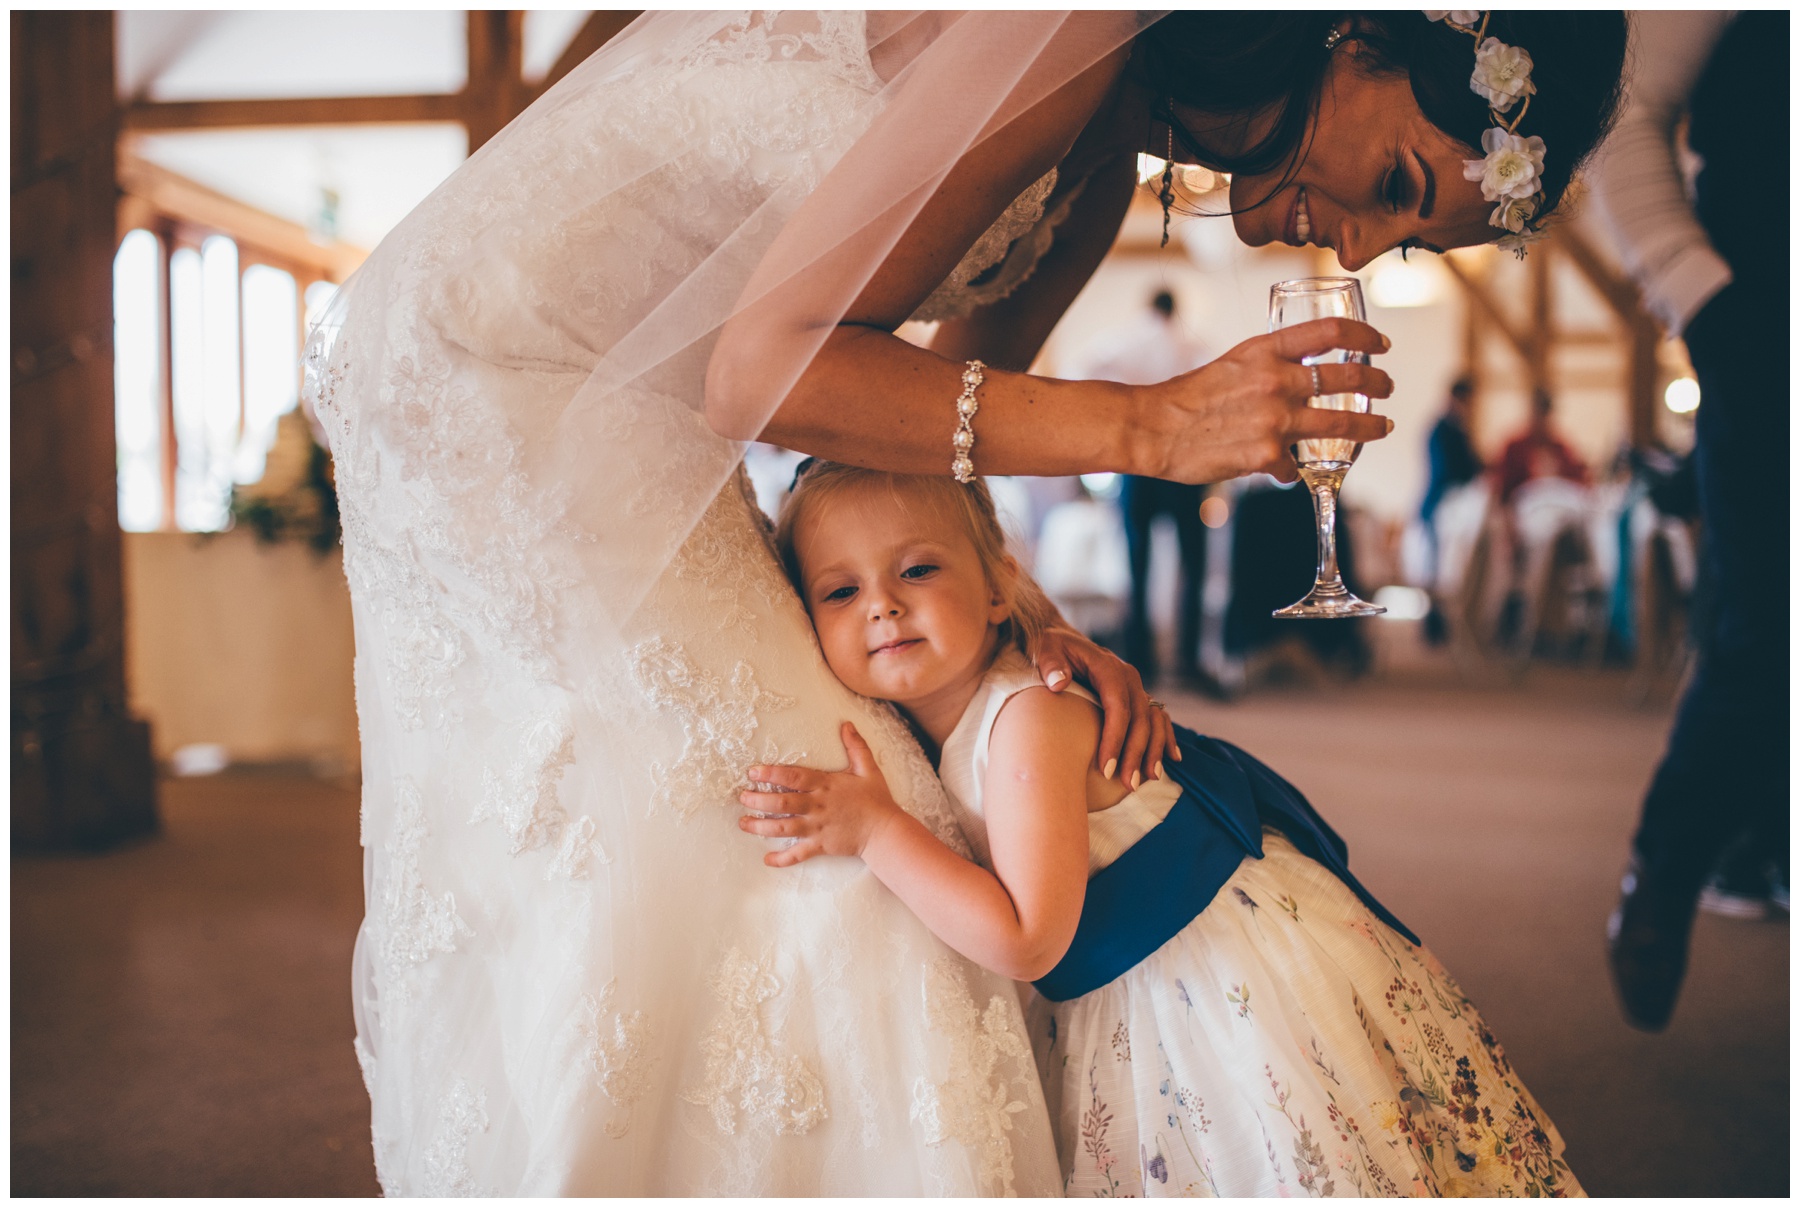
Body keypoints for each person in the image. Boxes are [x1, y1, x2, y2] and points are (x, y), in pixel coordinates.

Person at [305, 11, 1627, 1193]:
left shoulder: (1105, 164)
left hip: (624, 389)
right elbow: (765, 373)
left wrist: (1029, 621)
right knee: (812, 789)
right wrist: (1151, 427)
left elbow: (922, 453)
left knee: (810, 796)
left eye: (1407, 235)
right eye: (1397, 184)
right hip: (499, 363)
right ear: (1362, 41)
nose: (1361, 242)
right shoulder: (1070, 30)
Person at [749, 460, 1582, 1197]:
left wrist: (877, 833)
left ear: (999, 583)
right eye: (840, 590)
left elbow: (1028, 939)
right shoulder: (956, 719)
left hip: (1210, 974)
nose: (883, 605)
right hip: (1141, 972)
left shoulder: (1025, 721)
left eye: (917, 569)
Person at [1588, 11, 1789, 1032]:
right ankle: (1673, 859)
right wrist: (1701, 296)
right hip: (1763, 321)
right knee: (1768, 626)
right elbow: (1624, 111)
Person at [1065, 291, 1213, 687]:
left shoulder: (1124, 340)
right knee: (1192, 563)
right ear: (1175, 309)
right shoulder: (1191, 344)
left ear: (1147, 307)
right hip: (1184, 462)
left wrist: (1114, 411)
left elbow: (1081, 367)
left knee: (1137, 563)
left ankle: (1140, 656)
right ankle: (1187, 658)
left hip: (1137, 459)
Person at [1419, 377, 1483, 641]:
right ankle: (1434, 625)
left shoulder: (1457, 429)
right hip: (1441, 503)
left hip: (1454, 502)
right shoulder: (1442, 429)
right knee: (1436, 566)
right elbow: (1448, 468)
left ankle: (1445, 623)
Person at [1493, 389, 1587, 506]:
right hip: (1525, 506)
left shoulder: (1560, 449)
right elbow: (1502, 487)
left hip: (1557, 504)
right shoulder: (1515, 448)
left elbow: (1579, 482)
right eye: (1536, 416)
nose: (1540, 423)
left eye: (1544, 418)